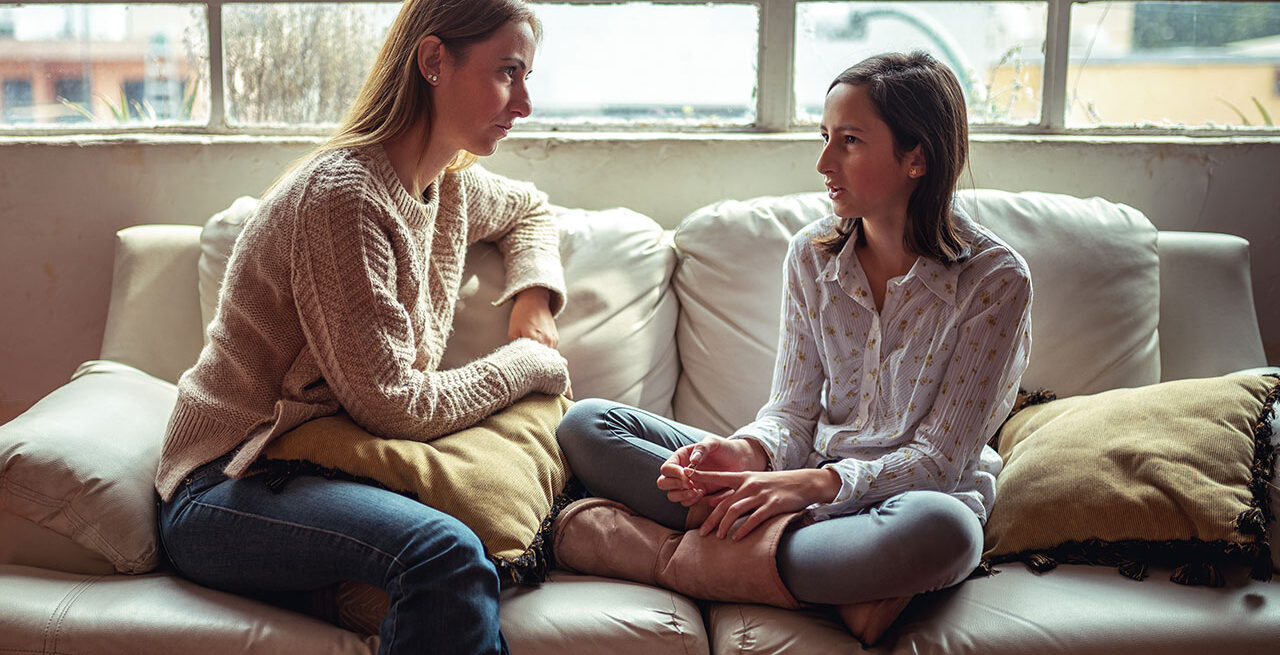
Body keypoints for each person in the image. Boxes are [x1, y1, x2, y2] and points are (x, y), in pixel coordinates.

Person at [553, 51, 1033, 646]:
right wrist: (746, 454)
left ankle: (664, 555)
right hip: (797, 488)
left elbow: (938, 460)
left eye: (849, 141)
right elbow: (792, 411)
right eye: (825, 136)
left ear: (918, 157)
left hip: (904, 502)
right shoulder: (812, 255)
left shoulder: (994, 281)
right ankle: (826, 578)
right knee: (587, 424)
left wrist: (808, 487)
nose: (823, 162)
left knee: (946, 533)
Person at [154, 2, 568, 654]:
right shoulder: (344, 197)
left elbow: (533, 211)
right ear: (434, 61)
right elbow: (394, 402)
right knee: (445, 555)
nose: (525, 102)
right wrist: (528, 361)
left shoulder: (449, 183)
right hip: (229, 482)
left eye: (527, 75)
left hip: (324, 467)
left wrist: (535, 302)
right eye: (508, 73)